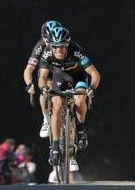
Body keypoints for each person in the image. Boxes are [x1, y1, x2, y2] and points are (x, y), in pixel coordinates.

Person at [38, 27, 100, 171]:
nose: (58, 50)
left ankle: (80, 128)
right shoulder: (47, 52)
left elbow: (94, 73)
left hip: (78, 76)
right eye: (55, 47)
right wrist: (43, 88)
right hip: (59, 77)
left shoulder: (76, 50)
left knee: (79, 99)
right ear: (51, 46)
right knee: (57, 106)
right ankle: (54, 147)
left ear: (67, 45)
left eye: (62, 47)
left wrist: (92, 87)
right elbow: (42, 76)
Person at [23, 20, 62, 138]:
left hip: (63, 69)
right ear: (43, 38)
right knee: (46, 87)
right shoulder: (40, 46)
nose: (50, 43)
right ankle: (46, 119)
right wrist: (29, 84)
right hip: (47, 69)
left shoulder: (63, 43)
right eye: (47, 39)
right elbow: (28, 69)